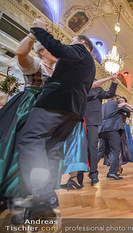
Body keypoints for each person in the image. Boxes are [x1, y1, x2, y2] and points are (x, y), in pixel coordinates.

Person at [15, 17, 96, 218]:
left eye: (73, 40)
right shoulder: (86, 65)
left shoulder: (79, 50)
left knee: (30, 140)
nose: (70, 43)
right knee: (49, 149)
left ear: (82, 43)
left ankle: (43, 195)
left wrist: (38, 30)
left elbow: (60, 48)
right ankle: (43, 199)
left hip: (55, 104)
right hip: (72, 112)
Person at [0, 40, 57, 202]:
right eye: (50, 49)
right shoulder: (35, 64)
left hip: (46, 110)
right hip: (28, 106)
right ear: (41, 52)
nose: (55, 53)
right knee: (16, 144)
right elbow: (20, 53)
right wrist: (33, 34)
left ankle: (19, 189)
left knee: (35, 149)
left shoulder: (55, 71)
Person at [83, 74, 118, 185]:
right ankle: (76, 175)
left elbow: (110, 94)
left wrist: (113, 80)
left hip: (92, 120)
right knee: (79, 146)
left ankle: (93, 174)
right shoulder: (81, 87)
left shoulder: (98, 89)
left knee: (92, 147)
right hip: (78, 119)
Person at [98, 97, 131, 180]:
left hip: (102, 129)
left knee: (101, 150)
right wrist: (125, 105)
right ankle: (112, 172)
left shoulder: (102, 105)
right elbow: (128, 111)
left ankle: (91, 168)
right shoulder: (116, 104)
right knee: (115, 151)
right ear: (115, 98)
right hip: (112, 129)